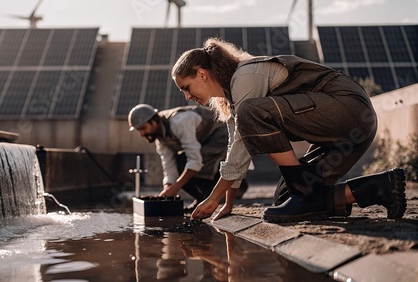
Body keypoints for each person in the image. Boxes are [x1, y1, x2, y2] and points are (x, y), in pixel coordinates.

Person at [171, 37, 407, 222]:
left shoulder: (245, 76)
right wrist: (227, 203)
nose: (187, 96)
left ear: (202, 74)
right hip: (339, 133)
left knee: (253, 113)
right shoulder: (234, 96)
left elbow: (242, 143)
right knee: (286, 200)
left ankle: (303, 192)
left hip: (350, 110)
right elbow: (235, 147)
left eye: (186, 87)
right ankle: (379, 187)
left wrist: (212, 197)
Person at [128, 103, 248, 210]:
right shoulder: (161, 139)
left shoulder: (180, 122)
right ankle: (202, 198)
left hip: (220, 135)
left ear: (153, 122)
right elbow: (169, 166)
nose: (142, 134)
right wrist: (167, 189)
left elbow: (195, 161)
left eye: (143, 128)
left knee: (190, 163)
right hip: (202, 143)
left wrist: (176, 187)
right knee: (180, 164)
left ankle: (230, 189)